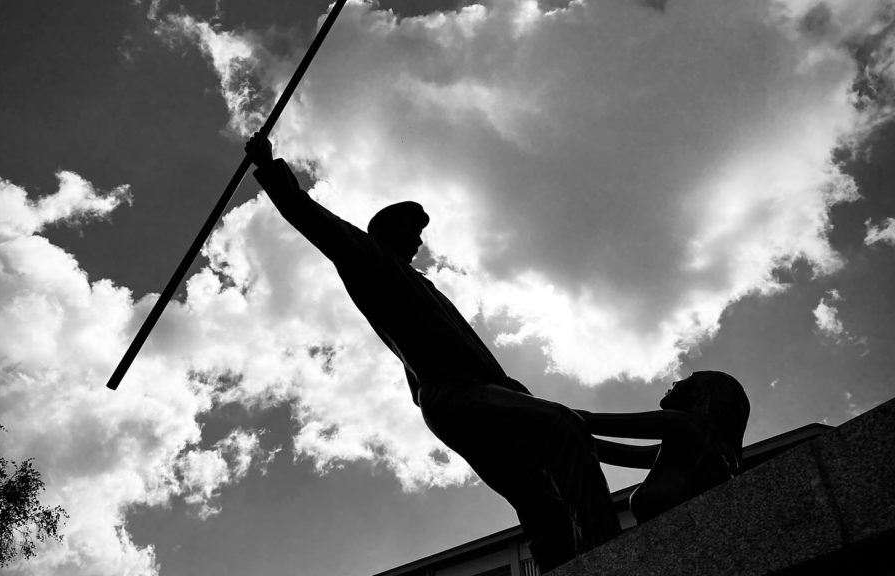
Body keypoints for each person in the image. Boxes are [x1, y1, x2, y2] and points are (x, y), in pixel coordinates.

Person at [245, 132, 620, 571]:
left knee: (543, 502)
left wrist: (508, 388)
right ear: (388, 231)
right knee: (561, 426)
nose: (420, 242)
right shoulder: (370, 260)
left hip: (478, 393)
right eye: (413, 231)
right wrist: (269, 167)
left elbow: (464, 349)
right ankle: (613, 559)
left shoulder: (424, 286)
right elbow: (312, 218)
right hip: (453, 396)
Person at [576, 371, 750, 524]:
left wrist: (562, 415)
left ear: (698, 392)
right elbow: (624, 454)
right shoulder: (692, 446)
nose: (675, 382)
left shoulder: (681, 424)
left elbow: (592, 422)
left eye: (689, 378)